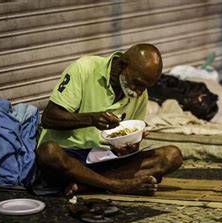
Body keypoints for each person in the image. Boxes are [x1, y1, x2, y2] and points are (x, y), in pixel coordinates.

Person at [36, 43, 183, 196]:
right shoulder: (84, 69)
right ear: (122, 65)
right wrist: (91, 119)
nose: (139, 92)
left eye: (145, 88)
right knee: (49, 152)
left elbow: (126, 140)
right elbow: (48, 118)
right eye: (137, 83)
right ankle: (116, 185)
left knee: (172, 155)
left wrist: (129, 147)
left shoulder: (139, 94)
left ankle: (88, 186)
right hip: (71, 158)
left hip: (104, 159)